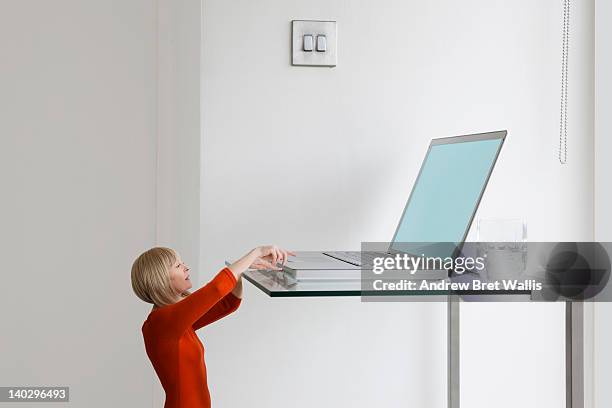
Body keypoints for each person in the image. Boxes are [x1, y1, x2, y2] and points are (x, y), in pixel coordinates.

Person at [131, 245, 294, 408]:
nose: (186, 267)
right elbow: (217, 288)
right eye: (178, 266)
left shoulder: (174, 322)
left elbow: (229, 303)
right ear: (161, 279)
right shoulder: (162, 323)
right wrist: (256, 253)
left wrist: (242, 270)